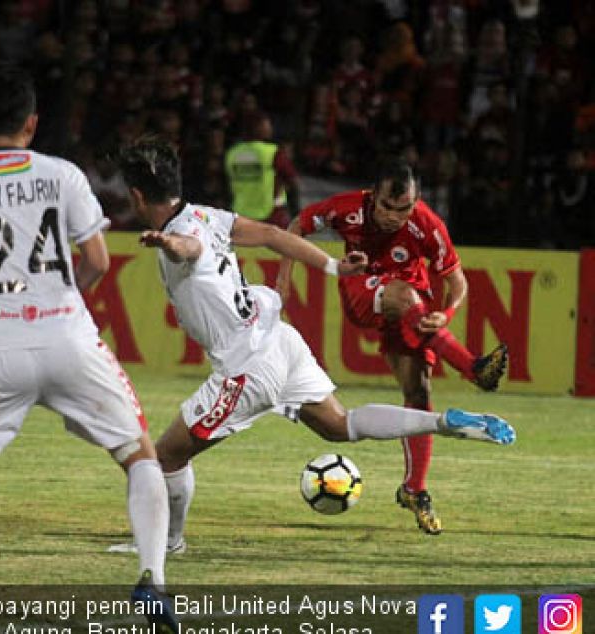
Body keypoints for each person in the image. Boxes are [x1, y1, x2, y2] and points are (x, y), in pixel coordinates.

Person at [112, 138, 515, 554]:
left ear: (137, 196)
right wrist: (333, 265)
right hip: (279, 339)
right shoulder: (206, 214)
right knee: (340, 425)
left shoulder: (181, 233)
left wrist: (173, 246)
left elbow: (190, 248)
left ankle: (166, 543)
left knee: (163, 458)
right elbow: (271, 232)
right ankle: (443, 422)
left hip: (247, 365)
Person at [0, 68, 176, 631]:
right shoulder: (62, 174)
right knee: (139, 454)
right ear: (32, 122)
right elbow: (96, 260)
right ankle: (153, 582)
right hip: (69, 339)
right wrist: (65, 297)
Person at [276, 158, 509, 535]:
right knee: (404, 293)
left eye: (405, 209)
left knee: (418, 392)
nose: (395, 217)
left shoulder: (427, 225)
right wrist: (284, 278)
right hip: (364, 290)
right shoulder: (348, 208)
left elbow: (458, 282)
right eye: (388, 206)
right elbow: (295, 226)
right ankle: (474, 369)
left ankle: (414, 489)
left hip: (411, 313)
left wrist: (447, 315)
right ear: (373, 197)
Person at [223, 113, 299, 228]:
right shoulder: (272, 152)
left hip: (240, 213)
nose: (270, 128)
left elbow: (228, 183)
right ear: (257, 128)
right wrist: (295, 210)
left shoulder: (233, 153)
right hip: (271, 215)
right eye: (266, 125)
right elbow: (293, 180)